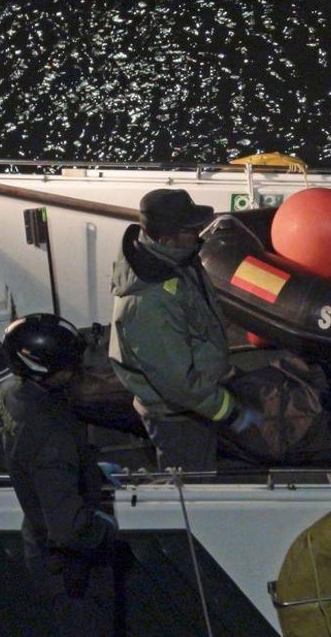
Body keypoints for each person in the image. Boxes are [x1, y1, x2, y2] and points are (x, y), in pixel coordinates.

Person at [108, 188, 261, 473]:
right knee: (191, 483)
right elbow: (179, 384)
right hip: (177, 416)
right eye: (190, 230)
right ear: (166, 238)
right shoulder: (148, 304)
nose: (199, 234)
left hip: (193, 401)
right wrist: (229, 411)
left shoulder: (173, 261)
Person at [0, 313, 118, 637]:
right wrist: (108, 535)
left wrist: (84, 469)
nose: (76, 371)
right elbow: (69, 530)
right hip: (69, 570)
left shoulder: (7, 393)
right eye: (68, 367)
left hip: (35, 537)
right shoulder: (52, 435)